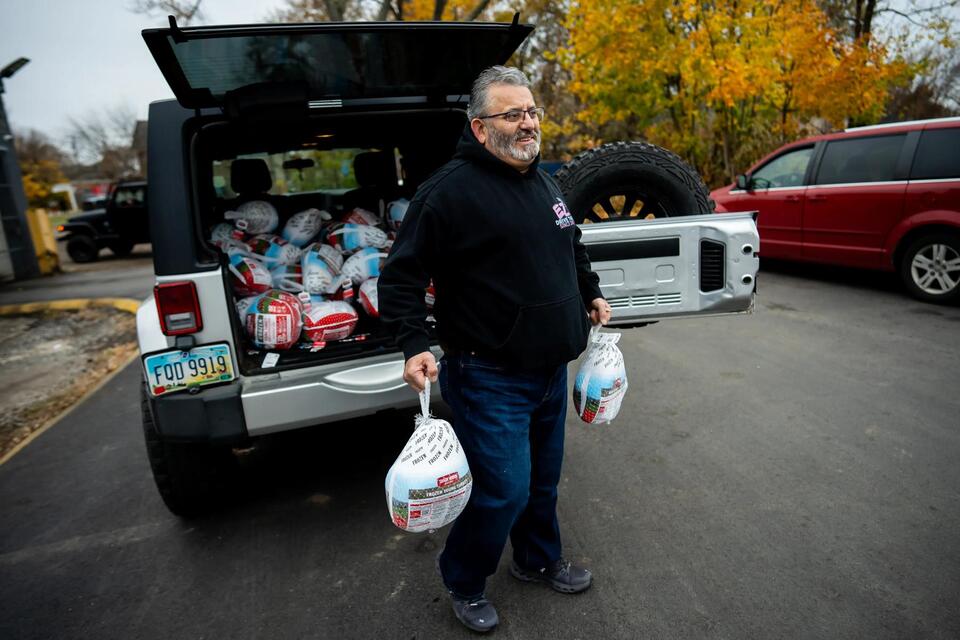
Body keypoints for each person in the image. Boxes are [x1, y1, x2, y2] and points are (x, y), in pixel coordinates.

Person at [378, 65, 611, 633]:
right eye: (513, 114)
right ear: (480, 129)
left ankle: (535, 559)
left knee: (542, 482)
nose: (527, 123)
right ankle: (463, 577)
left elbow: (570, 245)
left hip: (550, 369)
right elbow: (399, 277)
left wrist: (592, 291)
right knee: (503, 490)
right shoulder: (447, 193)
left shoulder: (545, 181)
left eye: (530, 111)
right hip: (489, 374)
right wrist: (413, 343)